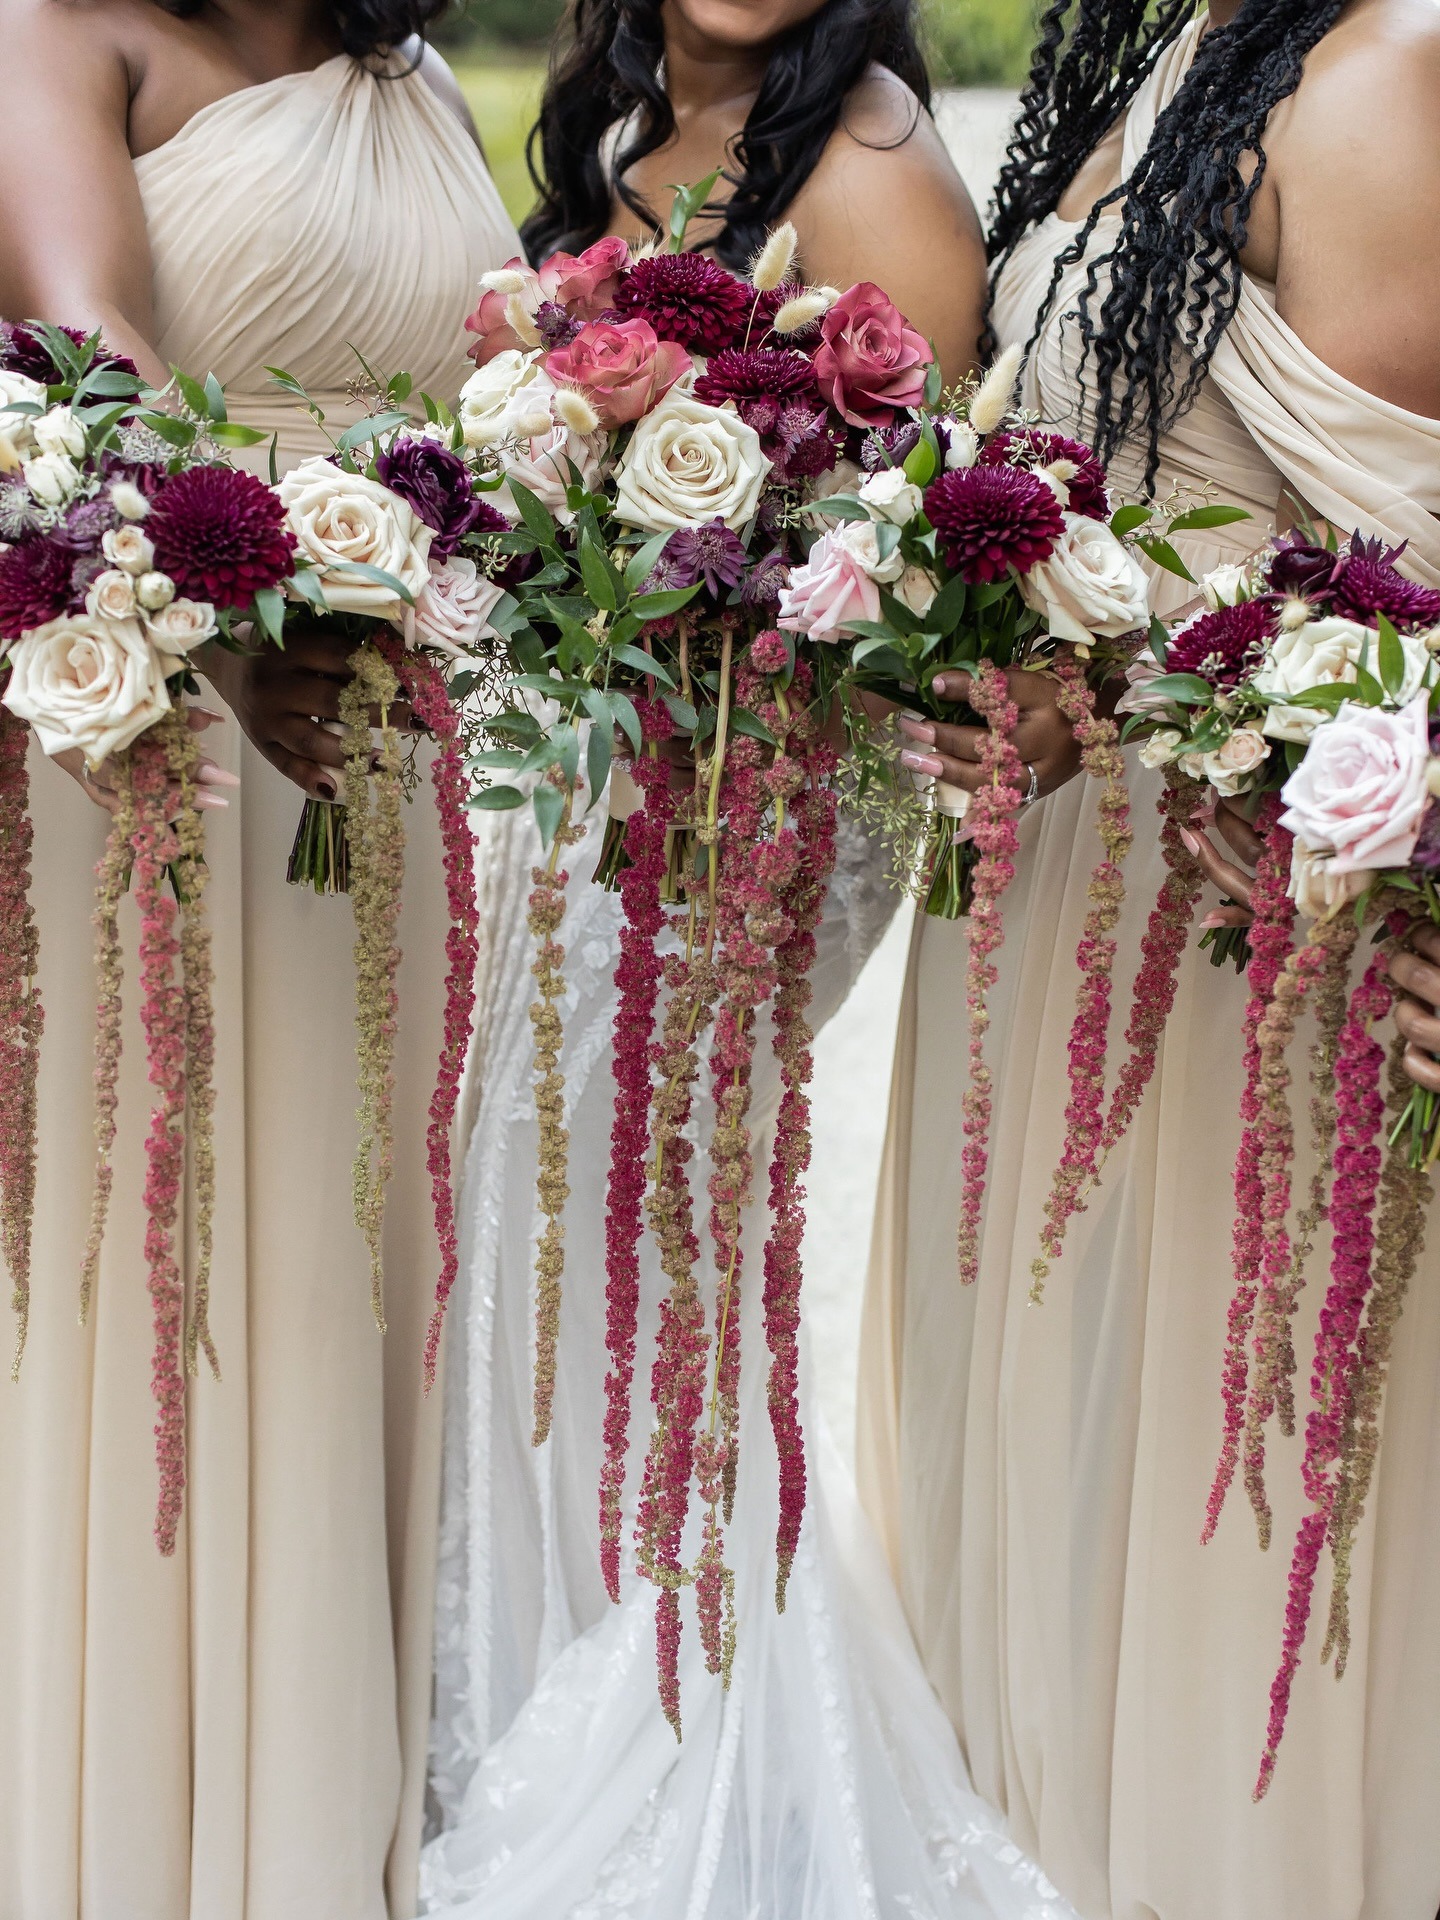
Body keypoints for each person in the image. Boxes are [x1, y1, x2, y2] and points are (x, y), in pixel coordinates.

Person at [416, 5, 1077, 1916]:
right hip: (587, 780)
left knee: (650, 1251)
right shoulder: (631, 121)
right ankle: (532, 1689)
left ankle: (699, 1754)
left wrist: (736, 793)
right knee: (530, 1250)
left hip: (749, 819)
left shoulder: (873, 171)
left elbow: (922, 567)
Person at [859, 1, 1440, 1916]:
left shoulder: (1380, 78)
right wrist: (1024, 661)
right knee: (1053, 1478)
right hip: (1059, 897)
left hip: (1235, 949)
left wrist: (1118, 691)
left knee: (1209, 1498)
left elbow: (1387, 600)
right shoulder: (1179, 47)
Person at [0, 6, 518, 1916]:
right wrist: (243, 633)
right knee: (157, 1283)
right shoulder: (66, 33)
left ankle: (313, 1836)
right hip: (160, 733)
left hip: (379, 748)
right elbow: (87, 358)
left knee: (338, 1281)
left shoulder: (416, 76)